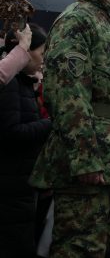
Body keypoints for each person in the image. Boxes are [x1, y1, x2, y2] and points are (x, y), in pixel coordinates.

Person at [28, 0, 110, 257]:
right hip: (89, 163)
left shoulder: (103, 22)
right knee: (80, 247)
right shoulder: (77, 20)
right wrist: (85, 158)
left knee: (105, 248)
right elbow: (67, 95)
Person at [0, 24, 50, 257]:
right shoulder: (10, 85)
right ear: (25, 52)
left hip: (21, 187)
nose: (43, 59)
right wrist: (49, 125)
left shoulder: (23, 84)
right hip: (12, 190)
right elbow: (12, 132)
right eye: (41, 52)